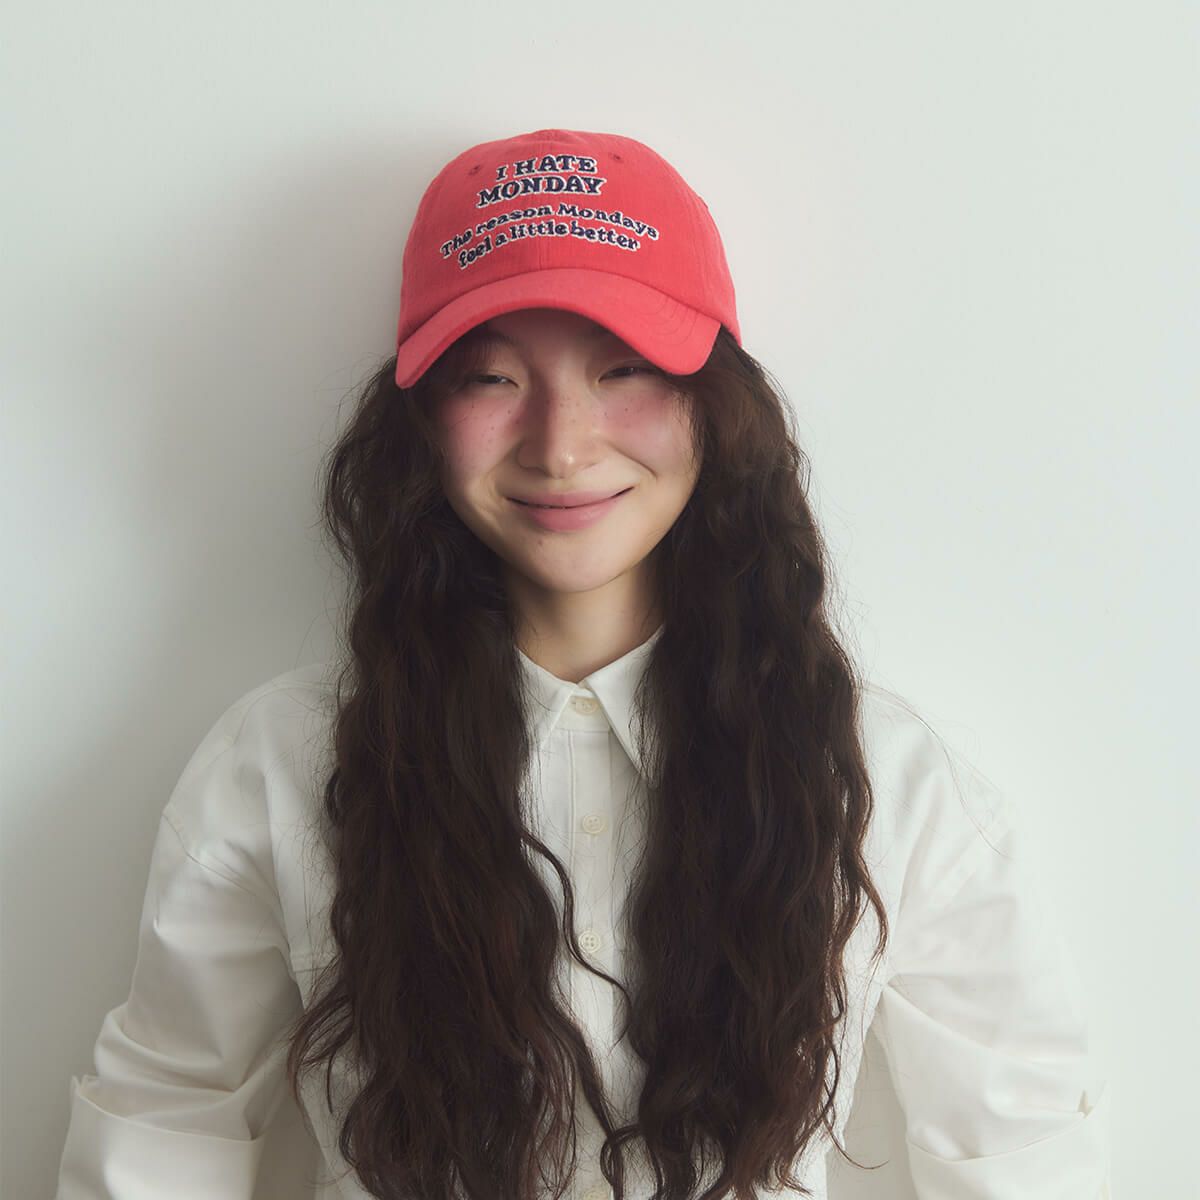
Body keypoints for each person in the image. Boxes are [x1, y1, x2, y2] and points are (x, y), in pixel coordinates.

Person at [55, 128, 1112, 1199]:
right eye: (491, 376)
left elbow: (1024, 1156)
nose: (560, 445)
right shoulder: (278, 767)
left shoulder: (892, 783)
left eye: (624, 370)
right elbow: (166, 1121)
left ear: (715, 403)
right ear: (422, 421)